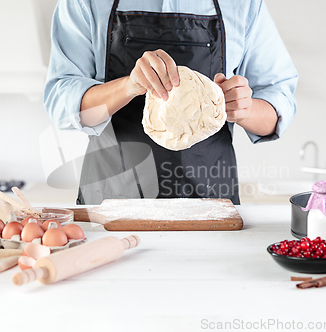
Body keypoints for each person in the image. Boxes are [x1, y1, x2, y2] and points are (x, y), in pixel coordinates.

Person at [44, 0, 298, 205]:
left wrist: (246, 108)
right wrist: (129, 85)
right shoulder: (86, 3)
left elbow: (278, 104)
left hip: (210, 201)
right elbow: (62, 104)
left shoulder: (243, 4)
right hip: (113, 200)